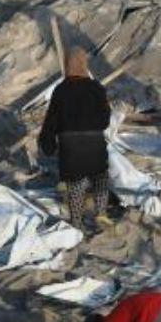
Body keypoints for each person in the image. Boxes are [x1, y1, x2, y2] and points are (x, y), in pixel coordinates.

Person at [39, 47, 113, 235]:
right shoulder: (97, 88)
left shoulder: (61, 90)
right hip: (95, 144)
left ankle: (77, 222)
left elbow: (51, 120)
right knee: (100, 178)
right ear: (84, 64)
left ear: (67, 65)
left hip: (70, 146)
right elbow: (105, 120)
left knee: (75, 185)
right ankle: (101, 214)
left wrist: (48, 144)